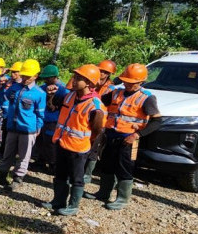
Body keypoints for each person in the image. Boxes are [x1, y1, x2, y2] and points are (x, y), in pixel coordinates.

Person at [87, 63, 162, 210]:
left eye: (132, 83)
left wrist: (137, 135)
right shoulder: (116, 93)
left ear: (141, 82)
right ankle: (103, 193)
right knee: (107, 165)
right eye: (126, 81)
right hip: (111, 135)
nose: (128, 84)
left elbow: (157, 121)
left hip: (128, 139)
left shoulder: (146, 98)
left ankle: (122, 198)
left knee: (124, 168)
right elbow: (98, 101)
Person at [41, 65, 105, 216]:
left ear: (89, 83)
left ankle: (73, 206)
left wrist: (88, 144)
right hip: (62, 142)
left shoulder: (95, 106)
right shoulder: (69, 96)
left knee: (76, 178)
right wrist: (51, 96)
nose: (74, 81)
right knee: (60, 174)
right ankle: (58, 201)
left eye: (79, 78)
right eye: (75, 77)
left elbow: (97, 130)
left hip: (78, 148)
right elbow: (53, 107)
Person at [0, 59, 45, 191]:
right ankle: (1, 175)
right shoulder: (15, 87)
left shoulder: (39, 94)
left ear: (36, 75)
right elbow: (3, 98)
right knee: (8, 153)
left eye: (28, 76)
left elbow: (40, 114)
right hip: (12, 127)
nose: (25, 79)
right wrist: (1, 88)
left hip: (28, 130)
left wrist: (37, 128)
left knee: (24, 156)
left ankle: (18, 178)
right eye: (23, 76)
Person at [83, 60, 116, 186]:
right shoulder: (92, 82)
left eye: (105, 72)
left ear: (109, 74)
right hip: (86, 119)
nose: (102, 73)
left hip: (101, 122)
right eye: (100, 70)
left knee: (94, 149)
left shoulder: (111, 89)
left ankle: (87, 174)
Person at [35, 64, 69, 174]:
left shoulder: (64, 91)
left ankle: (53, 164)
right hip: (42, 119)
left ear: (54, 77)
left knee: (51, 143)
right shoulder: (42, 88)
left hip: (54, 121)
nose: (45, 80)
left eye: (47, 78)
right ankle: (40, 161)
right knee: (40, 141)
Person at [0, 61, 23, 158]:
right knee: (5, 133)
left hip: (16, 115)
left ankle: (10, 154)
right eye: (12, 72)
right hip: (7, 114)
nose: (13, 74)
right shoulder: (9, 81)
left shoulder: (21, 86)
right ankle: (1, 151)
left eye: (16, 72)